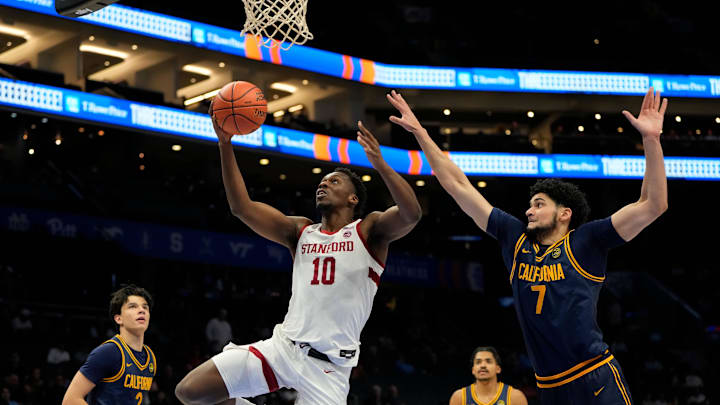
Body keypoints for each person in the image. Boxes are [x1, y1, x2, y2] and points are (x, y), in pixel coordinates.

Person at [387, 88, 668, 405]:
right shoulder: (515, 237)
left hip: (594, 376)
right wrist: (421, 133)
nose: (529, 211)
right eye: (529, 206)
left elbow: (652, 205)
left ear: (564, 214)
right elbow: (456, 183)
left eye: (538, 204)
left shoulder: (587, 240)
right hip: (549, 385)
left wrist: (651, 140)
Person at [174, 103, 422, 405]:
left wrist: (381, 165)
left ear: (353, 198)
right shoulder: (301, 232)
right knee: (190, 392)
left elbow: (411, 214)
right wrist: (225, 144)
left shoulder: (369, 231)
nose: (323, 183)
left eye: (334, 181)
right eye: (322, 180)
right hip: (283, 348)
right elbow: (242, 207)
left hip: (328, 367)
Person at [62, 285, 156, 405]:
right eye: (132, 306)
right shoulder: (109, 352)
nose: (142, 310)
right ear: (118, 319)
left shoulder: (150, 357)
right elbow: (70, 400)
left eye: (145, 307)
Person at [449, 347, 527, 405]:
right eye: (478, 362)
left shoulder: (515, 397)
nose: (483, 365)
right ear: (473, 370)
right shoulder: (459, 398)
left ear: (498, 369)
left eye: (488, 361)